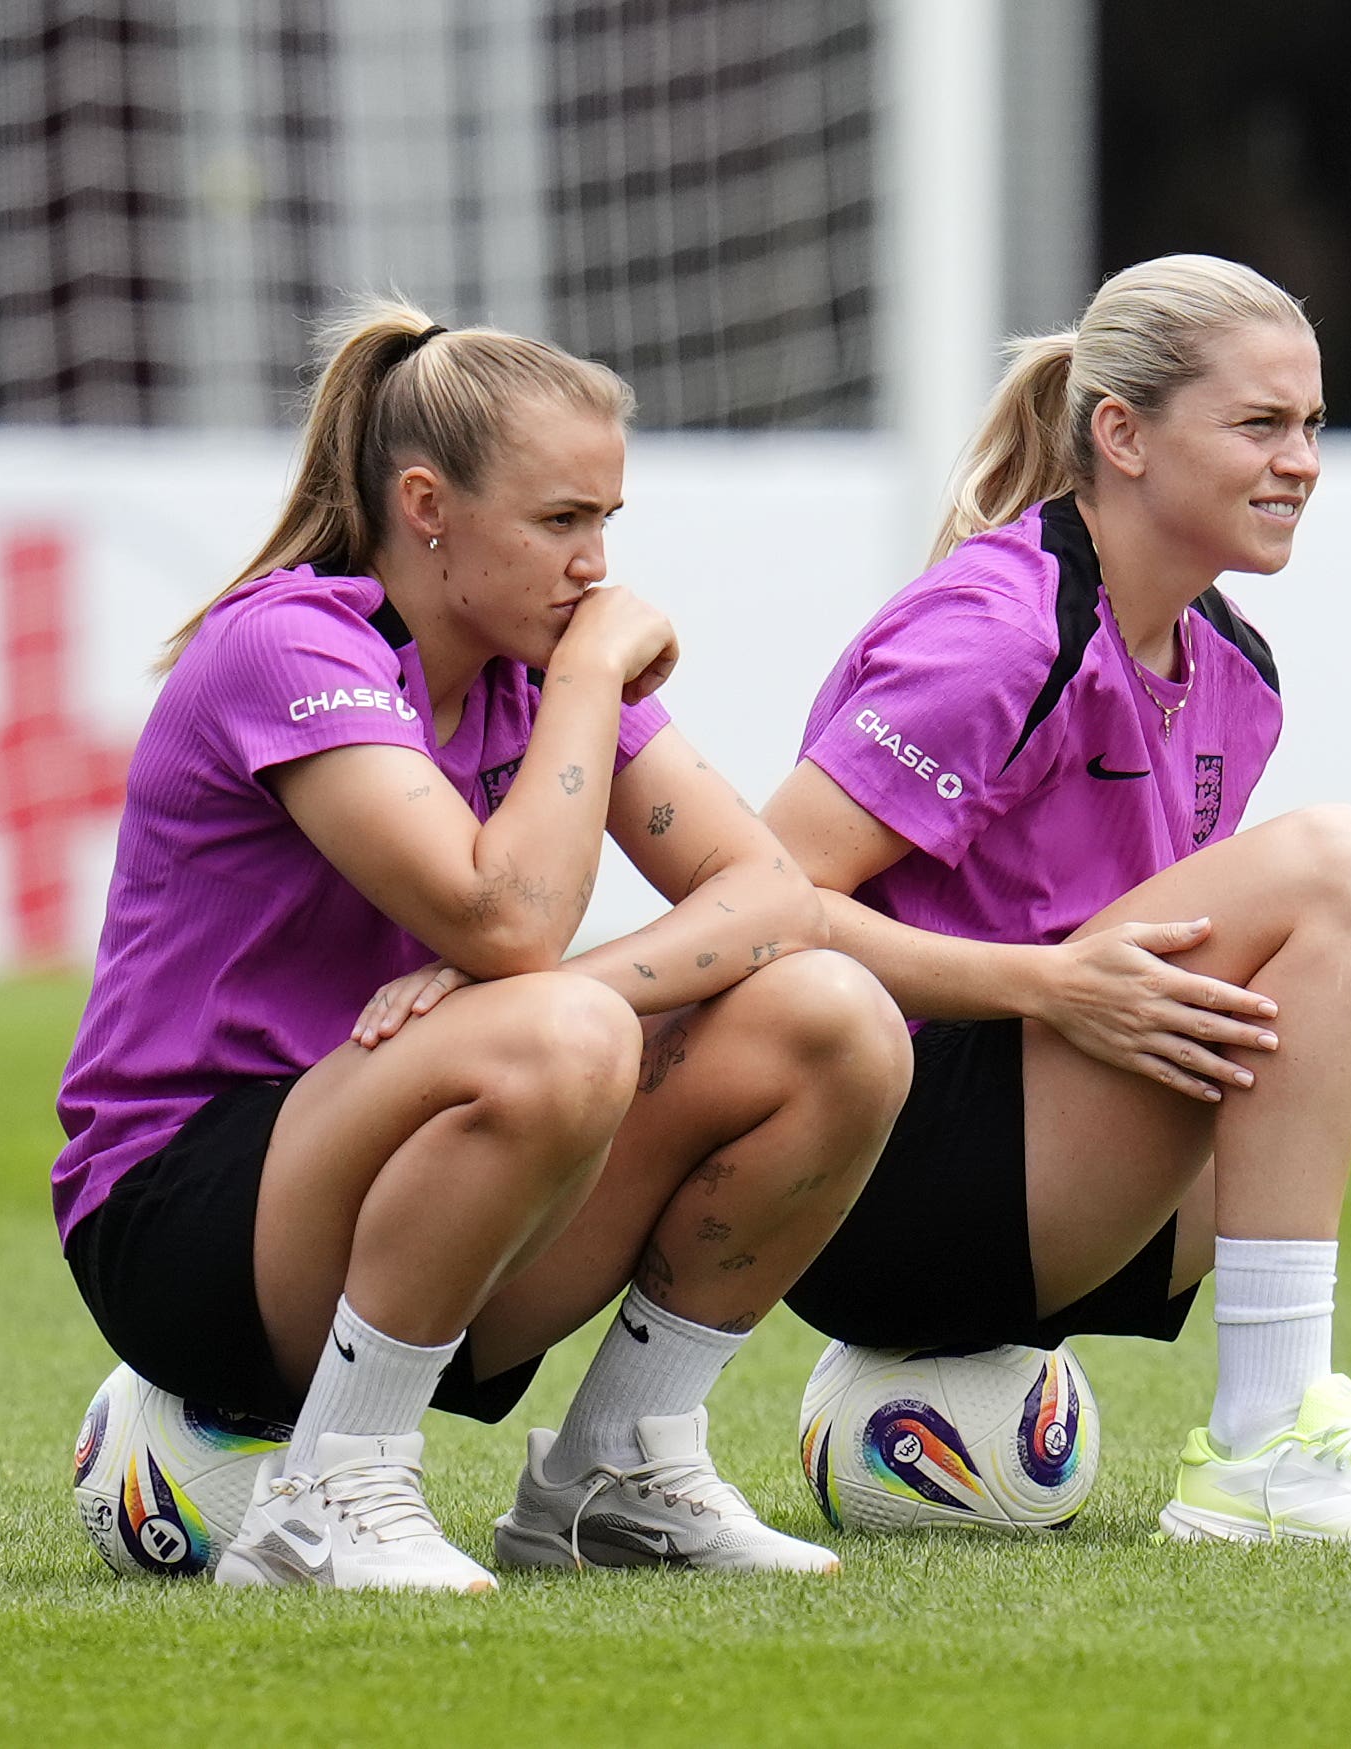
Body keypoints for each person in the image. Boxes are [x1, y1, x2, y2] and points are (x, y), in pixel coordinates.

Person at [764, 255, 1351, 1545]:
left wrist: (1089, 989)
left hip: (1064, 1158)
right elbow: (763, 904)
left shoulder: (1235, 666)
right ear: (1121, 436)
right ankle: (1269, 1431)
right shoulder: (999, 631)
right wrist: (1051, 982)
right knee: (1338, 859)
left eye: (1311, 425)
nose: (1299, 459)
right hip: (886, 1188)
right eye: (1258, 424)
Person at [54, 300, 911, 1593]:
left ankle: (617, 1468)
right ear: (426, 504)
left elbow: (775, 899)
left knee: (834, 1018)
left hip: (420, 1160)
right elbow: (504, 917)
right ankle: (330, 1495)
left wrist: (539, 1000)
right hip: (185, 1218)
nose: (598, 568)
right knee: (560, 1030)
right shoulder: (291, 644)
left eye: (609, 522)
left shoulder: (537, 664)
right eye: (563, 521)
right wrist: (593, 681)